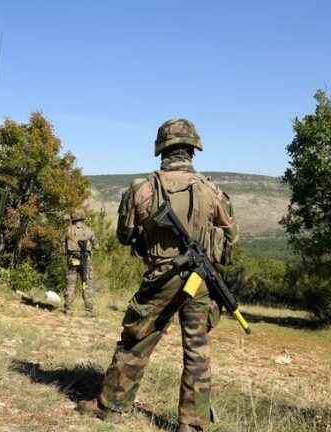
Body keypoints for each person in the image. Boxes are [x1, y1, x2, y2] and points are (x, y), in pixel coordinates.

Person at [78, 118, 238, 431]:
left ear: (161, 149)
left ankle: (111, 406)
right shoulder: (212, 191)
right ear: (193, 148)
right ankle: (192, 424)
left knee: (136, 340)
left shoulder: (143, 188)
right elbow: (231, 241)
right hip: (201, 281)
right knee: (197, 351)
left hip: (161, 276)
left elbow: (124, 235)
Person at [63, 209, 98, 316]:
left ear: (73, 218)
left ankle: (68, 309)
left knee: (71, 285)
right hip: (86, 261)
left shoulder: (68, 230)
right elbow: (97, 245)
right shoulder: (89, 230)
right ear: (83, 218)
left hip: (72, 260)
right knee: (86, 285)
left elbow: (62, 245)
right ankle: (89, 310)